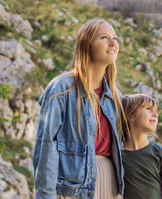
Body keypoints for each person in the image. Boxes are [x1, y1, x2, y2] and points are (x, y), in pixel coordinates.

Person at [33, 18, 125, 199]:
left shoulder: (116, 96)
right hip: (72, 191)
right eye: (104, 37)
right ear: (87, 45)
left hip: (110, 185)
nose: (113, 43)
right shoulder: (61, 89)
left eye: (115, 38)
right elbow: (46, 147)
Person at [121, 94, 162, 199]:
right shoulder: (116, 154)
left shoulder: (159, 152)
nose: (155, 114)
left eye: (155, 110)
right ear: (131, 115)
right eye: (148, 108)